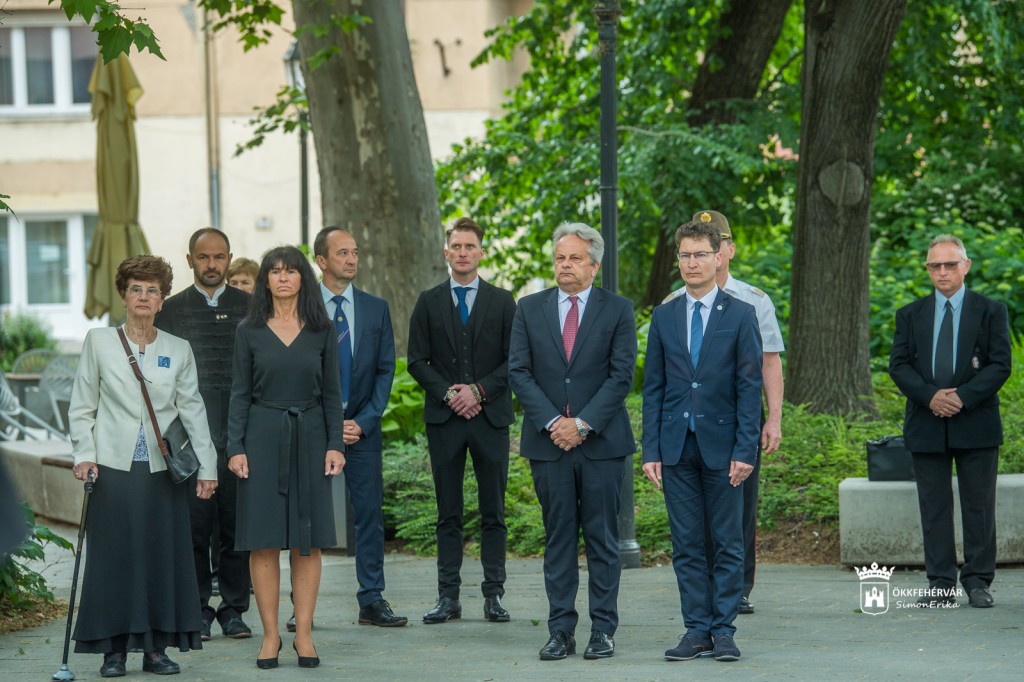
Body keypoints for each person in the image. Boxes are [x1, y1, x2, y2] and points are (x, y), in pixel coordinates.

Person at [69, 255, 219, 678]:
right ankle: (113, 651)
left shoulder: (178, 349)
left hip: (162, 470)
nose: (144, 297)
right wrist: (84, 454)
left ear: (162, 300)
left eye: (153, 290)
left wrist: (208, 467)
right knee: (113, 558)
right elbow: (82, 406)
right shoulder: (99, 342)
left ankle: (155, 649)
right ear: (123, 295)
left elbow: (193, 410)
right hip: (111, 468)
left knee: (160, 557)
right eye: (136, 288)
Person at [508, 223, 637, 661]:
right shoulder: (529, 308)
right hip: (549, 446)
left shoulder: (617, 310)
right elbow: (518, 372)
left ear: (594, 266)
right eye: (560, 258)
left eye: (575, 258)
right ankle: (560, 630)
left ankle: (603, 630)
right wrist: (553, 422)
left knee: (602, 540)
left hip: (602, 445)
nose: (566, 265)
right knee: (558, 539)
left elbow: (621, 376)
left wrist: (581, 424)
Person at [642, 219, 762, 662]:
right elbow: (653, 387)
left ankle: (724, 630)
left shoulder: (741, 314)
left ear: (718, 256)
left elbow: (749, 388)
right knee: (687, 544)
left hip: (725, 448)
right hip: (676, 447)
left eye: (700, 255)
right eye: (685, 255)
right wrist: (651, 450)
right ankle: (696, 630)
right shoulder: (664, 315)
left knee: (728, 542)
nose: (692, 263)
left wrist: (746, 448)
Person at [226, 246, 345, 669]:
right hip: (261, 437)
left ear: (302, 279)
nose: (282, 277)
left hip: (311, 437)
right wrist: (235, 447)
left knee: (306, 542)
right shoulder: (249, 330)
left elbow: (332, 393)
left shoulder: (322, 329)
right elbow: (240, 393)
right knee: (263, 541)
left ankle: (305, 634)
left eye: (290, 271)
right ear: (266, 280)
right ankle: (271, 636)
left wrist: (335, 443)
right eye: (274, 271)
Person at [666, 209, 784, 615]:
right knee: (694, 515)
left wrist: (773, 419)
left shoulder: (752, 301)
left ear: (726, 250)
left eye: (714, 244)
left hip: (736, 423)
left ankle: (738, 589)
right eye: (688, 252)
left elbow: (769, 362)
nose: (696, 259)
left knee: (741, 509)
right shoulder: (672, 304)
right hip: (689, 427)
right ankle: (704, 589)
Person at [889, 234, 1011, 608]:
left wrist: (962, 397)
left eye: (950, 264)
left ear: (965, 266)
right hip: (926, 421)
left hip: (976, 421)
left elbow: (1000, 364)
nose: (942, 272)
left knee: (979, 506)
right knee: (934, 507)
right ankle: (941, 582)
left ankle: (978, 581)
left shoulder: (991, 311)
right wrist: (931, 396)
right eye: (935, 266)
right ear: (928, 269)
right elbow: (899, 365)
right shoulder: (910, 314)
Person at [407, 217, 516, 625]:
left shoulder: (503, 301)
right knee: (447, 512)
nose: (463, 253)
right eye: (457, 246)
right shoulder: (428, 301)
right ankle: (447, 597)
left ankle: (494, 595)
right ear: (446, 252)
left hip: (490, 419)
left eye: (470, 246)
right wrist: (451, 394)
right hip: (445, 420)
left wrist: (479, 391)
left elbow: (515, 360)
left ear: (481, 253)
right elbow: (417, 360)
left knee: (494, 511)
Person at [155, 227, 252, 642]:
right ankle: (196, 608)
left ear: (229, 258)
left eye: (219, 257)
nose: (212, 265)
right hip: (188, 439)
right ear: (190, 259)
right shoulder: (171, 311)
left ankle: (233, 609)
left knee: (236, 528)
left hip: (240, 435)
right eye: (203, 257)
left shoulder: (251, 307)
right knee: (193, 529)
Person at [313, 226, 407, 627]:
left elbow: (386, 370)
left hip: (362, 429)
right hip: (314, 428)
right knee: (308, 516)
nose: (351, 259)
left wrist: (364, 421)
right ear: (321, 260)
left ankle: (372, 599)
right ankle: (303, 605)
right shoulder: (302, 309)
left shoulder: (375, 308)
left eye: (354, 252)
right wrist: (330, 423)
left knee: (369, 514)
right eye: (342, 253)